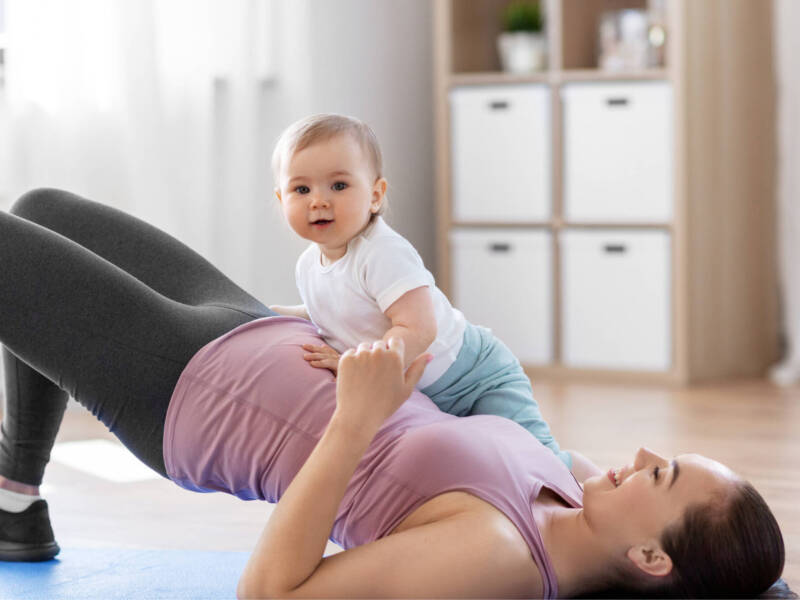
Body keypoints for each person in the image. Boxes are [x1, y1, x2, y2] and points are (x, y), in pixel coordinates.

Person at [0, 189, 786, 599]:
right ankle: (15, 505)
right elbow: (745, 576)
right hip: (258, 326)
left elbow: (271, 592)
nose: (644, 456)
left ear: (650, 557)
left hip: (190, 390)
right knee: (43, 212)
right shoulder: (573, 489)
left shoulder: (498, 558)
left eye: (662, 475)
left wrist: (355, 423)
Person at [268, 113, 591, 478]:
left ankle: (597, 485)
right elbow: (333, 310)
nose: (319, 201)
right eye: (302, 190)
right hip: (428, 393)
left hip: (475, 377)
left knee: (537, 461)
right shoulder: (308, 265)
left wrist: (355, 364)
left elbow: (418, 328)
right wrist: (275, 315)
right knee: (492, 472)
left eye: (339, 186)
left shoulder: (381, 252)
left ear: (375, 196)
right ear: (282, 200)